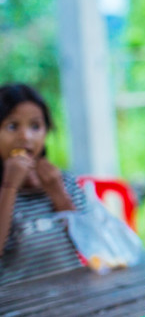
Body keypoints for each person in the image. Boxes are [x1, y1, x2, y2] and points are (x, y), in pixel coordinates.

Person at [0, 83, 83, 284]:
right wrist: (9, 187)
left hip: (71, 295)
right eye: (12, 126)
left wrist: (58, 194)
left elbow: (88, 242)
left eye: (35, 126)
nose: (25, 137)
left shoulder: (62, 181)